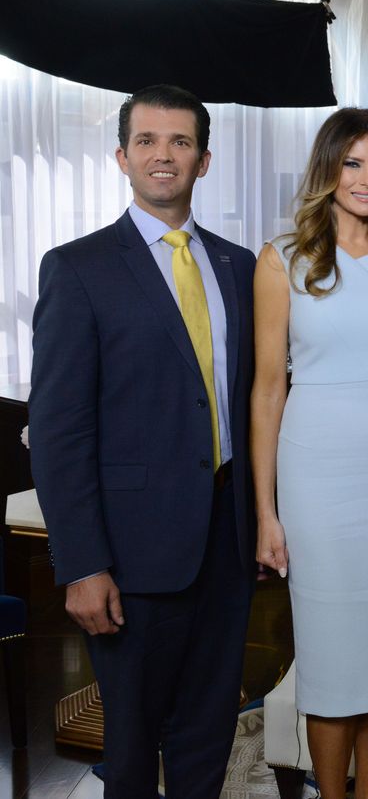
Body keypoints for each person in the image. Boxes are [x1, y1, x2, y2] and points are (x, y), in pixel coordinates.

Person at [28, 84, 257, 799]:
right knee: (128, 749)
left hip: (226, 542)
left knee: (208, 734)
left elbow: (256, 404)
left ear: (205, 159)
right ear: (123, 157)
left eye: (181, 142)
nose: (166, 156)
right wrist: (82, 563)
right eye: (150, 142)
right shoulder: (80, 268)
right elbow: (60, 432)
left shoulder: (239, 267)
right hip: (128, 557)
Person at [250, 108, 368, 799]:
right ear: (327, 169)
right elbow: (268, 392)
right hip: (318, 480)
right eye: (352, 163)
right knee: (330, 665)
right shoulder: (283, 259)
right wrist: (266, 514)